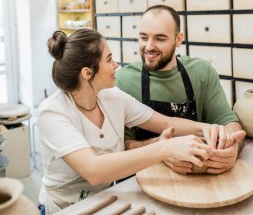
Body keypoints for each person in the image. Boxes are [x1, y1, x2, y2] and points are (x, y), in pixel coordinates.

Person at [37, 28, 242, 214]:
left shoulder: (113, 97)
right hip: (65, 209)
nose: (116, 65)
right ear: (87, 73)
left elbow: (164, 123)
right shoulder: (53, 113)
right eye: (109, 59)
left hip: (105, 200)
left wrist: (214, 130)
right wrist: (166, 148)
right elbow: (94, 170)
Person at [116, 5, 245, 175]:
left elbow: (230, 124)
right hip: (145, 179)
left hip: (198, 180)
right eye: (143, 37)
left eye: (160, 38)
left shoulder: (201, 72)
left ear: (178, 39)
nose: (149, 46)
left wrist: (232, 149)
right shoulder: (123, 80)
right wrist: (160, 150)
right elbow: (123, 146)